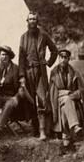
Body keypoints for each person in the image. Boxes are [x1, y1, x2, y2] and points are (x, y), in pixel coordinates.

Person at [18, 11, 58, 140]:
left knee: (42, 100)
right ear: (27, 21)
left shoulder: (43, 35)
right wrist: (22, 76)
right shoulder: (23, 37)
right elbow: (21, 58)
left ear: (37, 21)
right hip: (28, 72)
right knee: (30, 101)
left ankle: (43, 130)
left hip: (40, 71)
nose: (32, 22)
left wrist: (48, 62)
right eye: (30, 19)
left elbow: (54, 50)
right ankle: (34, 129)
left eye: (34, 19)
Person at [0, 45, 29, 143]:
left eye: (5, 55)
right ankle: (2, 123)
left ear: (9, 57)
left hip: (12, 97)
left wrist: (16, 97)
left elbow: (21, 87)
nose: (3, 57)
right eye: (1, 55)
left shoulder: (16, 69)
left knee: (9, 104)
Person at [49, 49, 84, 148]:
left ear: (68, 59)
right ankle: (75, 126)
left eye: (65, 58)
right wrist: (66, 93)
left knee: (66, 106)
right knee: (67, 100)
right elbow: (53, 92)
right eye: (61, 57)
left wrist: (73, 95)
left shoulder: (74, 72)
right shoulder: (53, 73)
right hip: (58, 100)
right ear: (58, 59)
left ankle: (66, 136)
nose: (63, 60)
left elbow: (82, 90)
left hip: (71, 100)